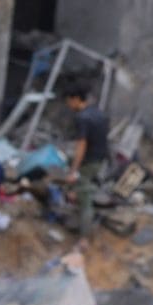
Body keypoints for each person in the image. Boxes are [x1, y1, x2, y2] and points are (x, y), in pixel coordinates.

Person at [63, 85, 109, 238]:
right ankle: (74, 200)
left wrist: (73, 170)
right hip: (100, 160)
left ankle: (84, 238)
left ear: (76, 99)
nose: (68, 105)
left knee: (85, 199)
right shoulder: (98, 114)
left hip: (88, 162)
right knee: (82, 190)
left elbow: (82, 145)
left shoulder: (82, 118)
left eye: (69, 101)